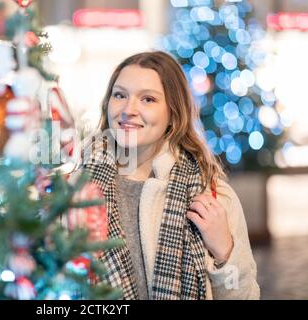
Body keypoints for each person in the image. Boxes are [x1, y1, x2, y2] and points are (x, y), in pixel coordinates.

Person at [80, 51, 260, 300]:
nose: (129, 109)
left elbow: (245, 297)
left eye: (148, 99)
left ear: (172, 114)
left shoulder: (213, 197)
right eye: (120, 95)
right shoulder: (75, 189)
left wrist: (225, 253)